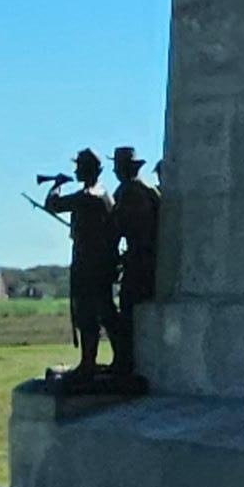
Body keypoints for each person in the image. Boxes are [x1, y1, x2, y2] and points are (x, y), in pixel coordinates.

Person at [37, 150, 123, 384]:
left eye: (79, 168)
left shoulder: (89, 196)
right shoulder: (103, 194)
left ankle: (89, 363)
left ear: (87, 171)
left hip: (89, 263)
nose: (75, 171)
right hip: (100, 262)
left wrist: (56, 184)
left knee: (88, 314)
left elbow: (52, 204)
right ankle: (111, 360)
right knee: (103, 311)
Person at [110, 145, 160, 379]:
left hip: (137, 260)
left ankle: (125, 362)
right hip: (150, 260)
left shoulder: (127, 192)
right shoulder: (150, 191)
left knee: (127, 311)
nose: (115, 171)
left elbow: (117, 228)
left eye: (117, 167)